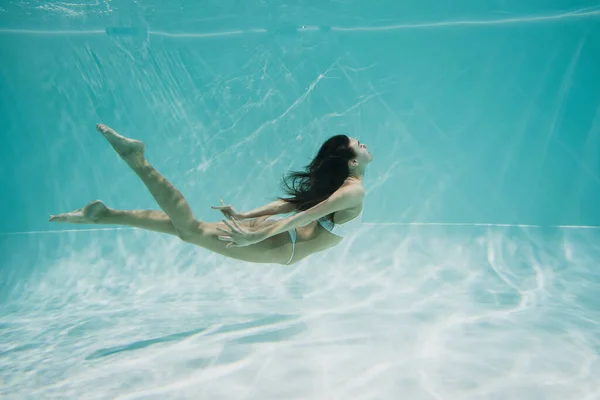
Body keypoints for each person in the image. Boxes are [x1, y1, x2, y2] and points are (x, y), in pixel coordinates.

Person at [49, 124, 373, 265]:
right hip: (280, 246)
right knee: (190, 229)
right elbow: (304, 214)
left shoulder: (343, 189)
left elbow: (297, 207)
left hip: (276, 236)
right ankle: (138, 161)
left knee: (188, 229)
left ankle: (104, 215)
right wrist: (249, 233)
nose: (364, 144)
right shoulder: (353, 191)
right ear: (353, 162)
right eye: (360, 144)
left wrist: (247, 217)